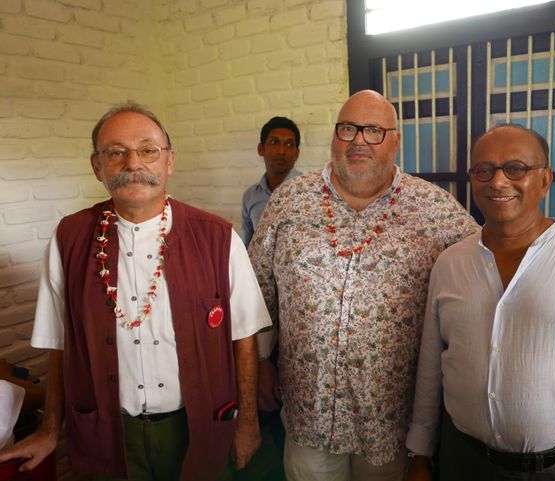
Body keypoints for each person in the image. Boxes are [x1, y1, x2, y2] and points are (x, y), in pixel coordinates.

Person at [0, 103, 272, 481]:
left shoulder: (217, 237)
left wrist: (247, 424)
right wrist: (49, 429)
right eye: (116, 152)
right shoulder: (69, 239)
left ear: (169, 161)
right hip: (108, 435)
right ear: (97, 166)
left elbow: (244, 339)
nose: (134, 163)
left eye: (148, 150)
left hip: (197, 429)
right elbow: (59, 345)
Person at [248, 90, 480, 481]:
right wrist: (261, 362)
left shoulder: (434, 208)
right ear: (334, 136)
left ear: (395, 140)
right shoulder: (290, 200)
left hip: (388, 420)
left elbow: (491, 256)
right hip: (310, 414)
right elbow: (258, 289)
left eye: (373, 130)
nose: (358, 140)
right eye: (348, 128)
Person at [405, 124, 555, 481]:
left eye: (516, 168)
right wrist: (420, 453)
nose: (498, 181)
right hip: (461, 460)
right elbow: (432, 365)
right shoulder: (450, 263)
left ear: (545, 179)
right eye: (483, 170)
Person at [240, 116, 301, 247]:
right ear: (261, 149)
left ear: (296, 153)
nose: (281, 151)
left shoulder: (310, 191)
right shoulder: (250, 196)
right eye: (274, 142)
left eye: (289, 144)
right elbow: (247, 246)